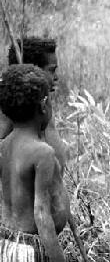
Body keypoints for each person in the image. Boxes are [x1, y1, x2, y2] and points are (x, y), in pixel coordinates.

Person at [0, 64, 70, 261]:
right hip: (30, 251)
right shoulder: (43, 153)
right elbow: (41, 215)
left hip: (5, 243)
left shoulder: (4, 146)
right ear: (43, 104)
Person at [0, 37, 66, 171]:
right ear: (33, 72)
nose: (56, 77)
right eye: (51, 70)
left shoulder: (42, 103)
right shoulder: (13, 107)